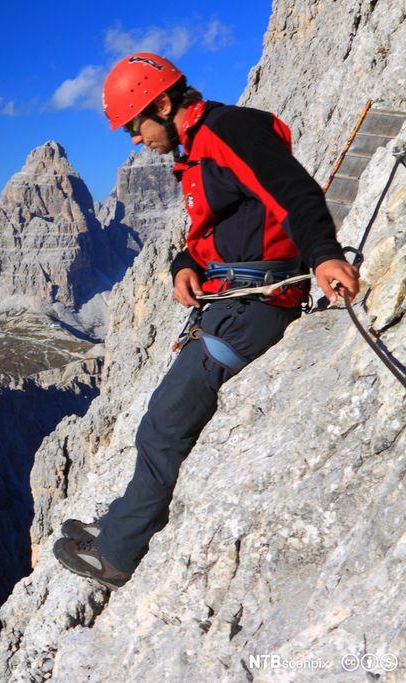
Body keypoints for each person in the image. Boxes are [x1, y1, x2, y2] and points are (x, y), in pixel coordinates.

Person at [53, 52, 360, 590]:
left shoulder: (228, 132)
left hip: (252, 308)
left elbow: (293, 191)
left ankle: (117, 554)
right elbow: (215, 228)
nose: (133, 138)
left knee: (165, 423)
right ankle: (125, 519)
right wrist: (184, 264)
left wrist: (324, 254)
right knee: (161, 420)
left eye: (134, 125)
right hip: (230, 299)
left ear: (165, 104)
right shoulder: (196, 149)